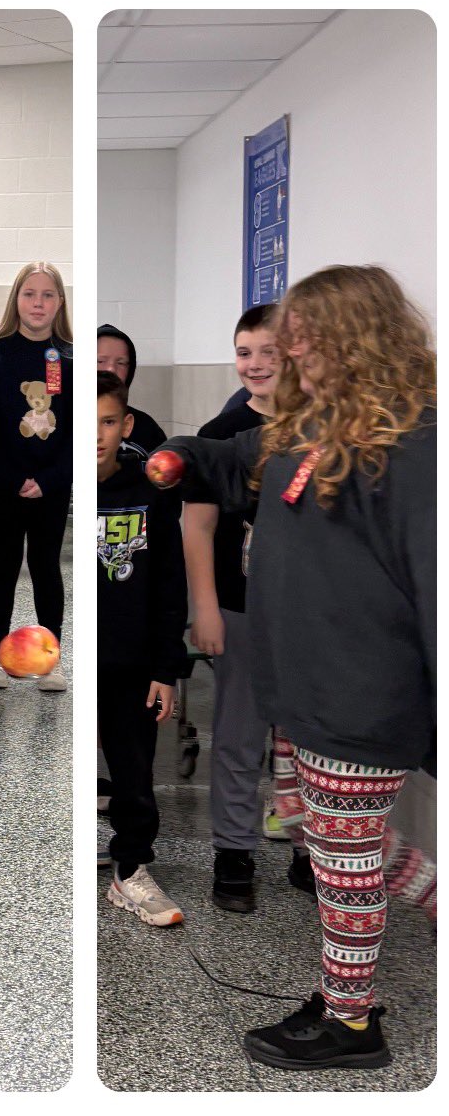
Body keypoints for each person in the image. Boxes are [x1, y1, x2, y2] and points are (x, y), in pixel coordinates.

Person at [151, 265, 435, 1069]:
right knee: (337, 839)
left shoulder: (412, 443)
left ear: (355, 337)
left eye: (305, 338)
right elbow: (225, 456)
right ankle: (354, 992)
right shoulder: (308, 431)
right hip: (308, 685)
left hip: (360, 689)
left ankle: (350, 1023)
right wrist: (174, 455)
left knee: (344, 857)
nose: (290, 352)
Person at [181, 304, 280, 913]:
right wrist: (206, 607)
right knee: (241, 735)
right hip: (240, 607)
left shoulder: (322, 427)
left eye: (268, 351)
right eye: (244, 353)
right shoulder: (222, 433)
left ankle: (305, 849)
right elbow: (197, 528)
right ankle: (234, 852)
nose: (255, 364)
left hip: (308, 614)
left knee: (305, 742)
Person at [96, 371, 188, 925]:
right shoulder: (64, 490)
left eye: (108, 422)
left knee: (134, 777)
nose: (98, 434)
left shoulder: (150, 496)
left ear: (126, 424)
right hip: (80, 664)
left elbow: (169, 587)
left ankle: (130, 870)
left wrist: (165, 668)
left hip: (133, 664)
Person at [0, 262, 72, 692]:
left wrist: (51, 477)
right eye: (30, 294)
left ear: (59, 302)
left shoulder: (69, 357)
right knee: (4, 565)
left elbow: (78, 428)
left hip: (53, 484)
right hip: (3, 482)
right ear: (17, 300)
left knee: (46, 566)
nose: (39, 303)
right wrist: (9, 475)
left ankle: (52, 659)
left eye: (47, 295)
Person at [96, 324, 167, 460]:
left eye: (121, 363)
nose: (111, 369)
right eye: (100, 361)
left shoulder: (146, 427)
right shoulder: (67, 419)